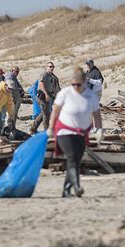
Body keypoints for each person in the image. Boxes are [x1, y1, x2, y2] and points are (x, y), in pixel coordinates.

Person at [47, 67, 104, 198]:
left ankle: (66, 190)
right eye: (73, 84)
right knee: (72, 157)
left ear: (84, 83)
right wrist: (51, 127)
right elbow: (55, 110)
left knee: (76, 160)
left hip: (82, 132)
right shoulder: (65, 93)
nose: (75, 87)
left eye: (78, 85)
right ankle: (77, 187)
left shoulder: (90, 95)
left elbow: (96, 114)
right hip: (64, 131)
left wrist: (100, 129)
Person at [30, 62, 60, 133]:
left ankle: (33, 128)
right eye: (50, 66)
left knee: (43, 113)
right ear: (46, 67)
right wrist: (46, 94)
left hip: (49, 96)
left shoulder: (53, 76)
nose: (51, 68)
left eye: (53, 67)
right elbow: (41, 84)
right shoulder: (44, 74)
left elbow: (55, 88)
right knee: (46, 114)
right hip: (42, 96)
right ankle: (46, 131)